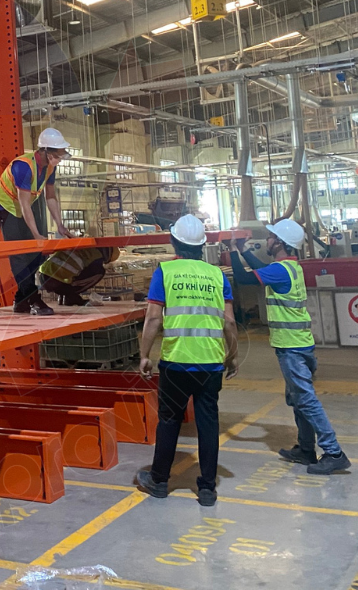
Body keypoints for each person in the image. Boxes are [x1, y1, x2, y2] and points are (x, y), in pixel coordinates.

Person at [229, 219, 350, 475]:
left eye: (271, 237)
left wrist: (231, 250)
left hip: (292, 347)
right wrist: (243, 249)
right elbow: (262, 269)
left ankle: (334, 452)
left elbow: (242, 277)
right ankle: (306, 449)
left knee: (305, 400)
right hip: (299, 344)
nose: (267, 240)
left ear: (279, 243)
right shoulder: (289, 268)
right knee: (298, 400)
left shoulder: (280, 270)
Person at [134, 215, 239, 506]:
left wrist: (144, 355)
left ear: (174, 242)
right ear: (202, 245)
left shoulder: (165, 272)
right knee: (208, 423)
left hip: (175, 362)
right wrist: (232, 356)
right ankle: (207, 489)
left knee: (169, 421)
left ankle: (159, 481)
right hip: (211, 363)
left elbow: (153, 318)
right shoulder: (217, 275)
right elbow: (230, 322)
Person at [0, 128, 74, 315]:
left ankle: (21, 301)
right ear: (45, 151)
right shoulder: (23, 167)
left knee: (37, 253)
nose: (60, 159)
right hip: (7, 207)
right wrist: (36, 234)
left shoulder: (50, 167)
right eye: (58, 155)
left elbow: (50, 196)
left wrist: (60, 225)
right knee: (19, 254)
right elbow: (23, 204)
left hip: (28, 204)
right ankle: (33, 299)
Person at [37, 246, 118, 306]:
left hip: (43, 274)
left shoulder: (87, 245)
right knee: (100, 272)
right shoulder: (97, 257)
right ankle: (71, 297)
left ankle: (64, 296)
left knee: (73, 271)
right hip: (56, 281)